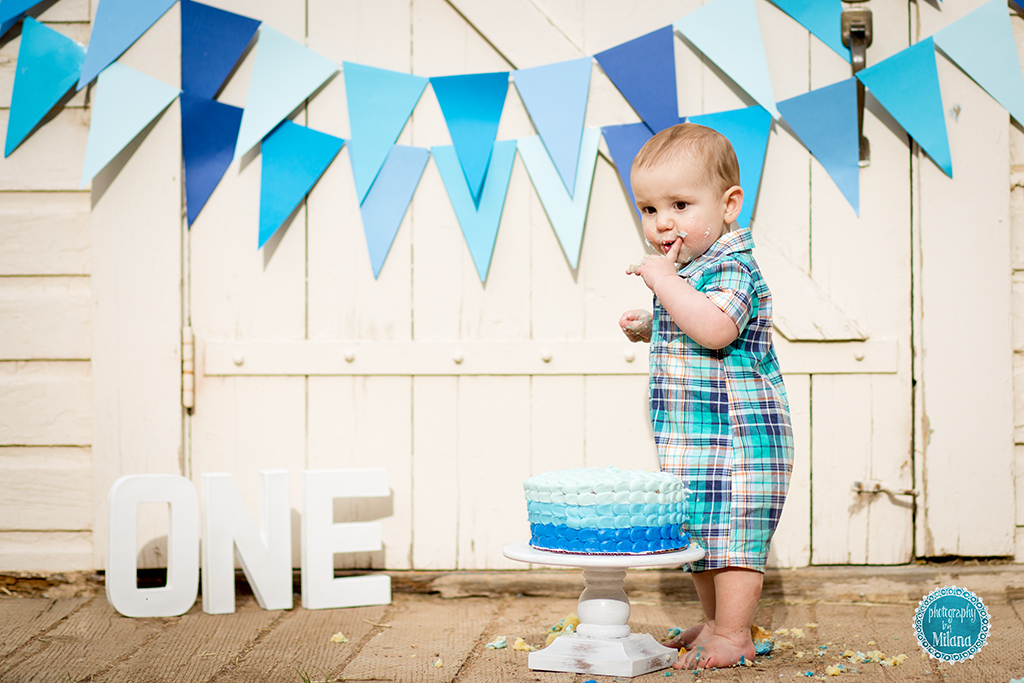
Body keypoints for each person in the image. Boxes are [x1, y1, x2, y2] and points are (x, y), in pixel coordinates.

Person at [618, 123, 794, 670]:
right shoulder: (693, 272)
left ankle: (735, 631)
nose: (661, 221)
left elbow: (716, 328)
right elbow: (692, 320)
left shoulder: (734, 267)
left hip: (742, 436)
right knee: (700, 529)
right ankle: (716, 623)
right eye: (648, 209)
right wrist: (654, 323)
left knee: (736, 532)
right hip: (695, 435)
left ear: (728, 205)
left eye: (679, 204)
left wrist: (662, 286)